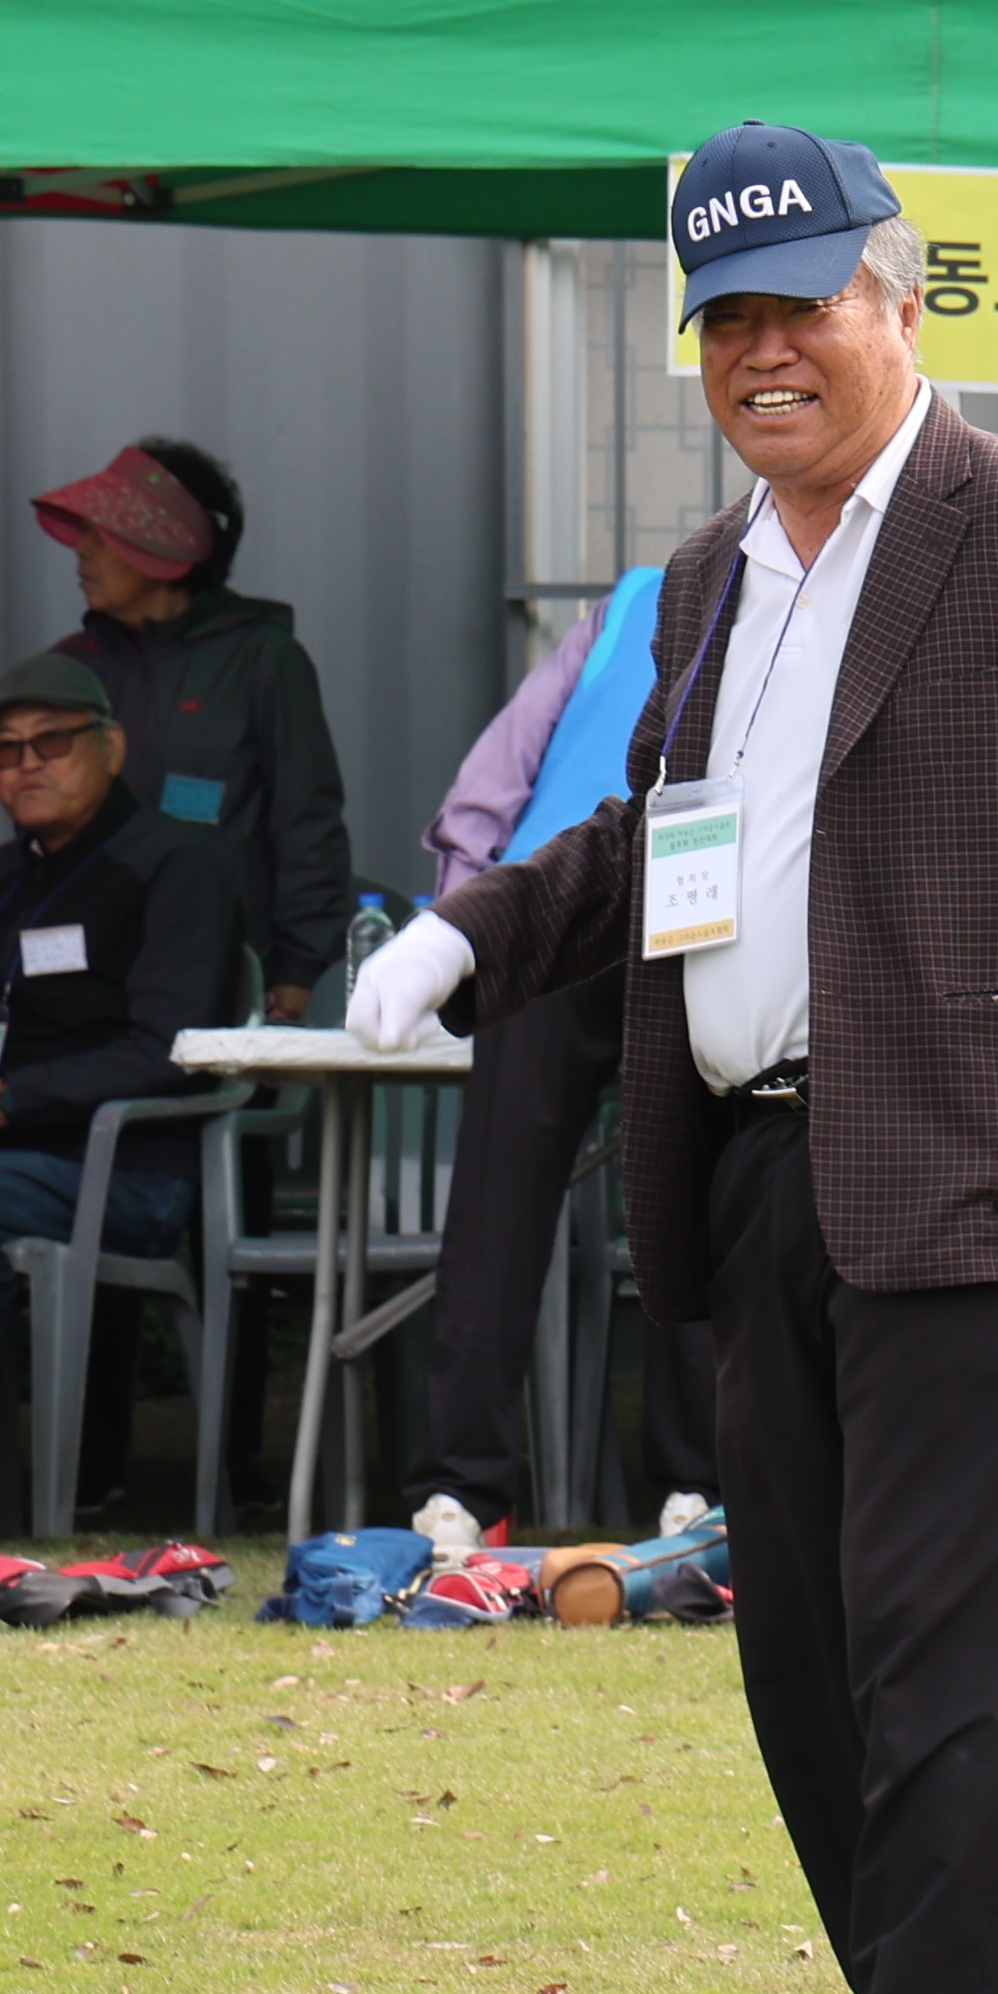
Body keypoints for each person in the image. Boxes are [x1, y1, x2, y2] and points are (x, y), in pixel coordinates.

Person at [347, 122, 998, 1994]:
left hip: (975, 1163)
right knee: (803, 1653)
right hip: (751, 1175)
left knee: (932, 1648)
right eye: (726, 320)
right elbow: (669, 842)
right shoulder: (706, 577)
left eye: (803, 306)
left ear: (900, 302)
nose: (765, 352)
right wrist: (468, 934)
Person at [0, 652, 256, 1527]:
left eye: (52, 742)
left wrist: (11, 1098)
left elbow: (172, 1047)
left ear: (111, 746)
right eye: (4, 751)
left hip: (123, 1163)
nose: (27, 764)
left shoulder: (179, 865)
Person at [394, 568, 715, 1542]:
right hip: (696, 903)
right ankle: (695, 1491)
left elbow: (493, 776)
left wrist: (464, 924)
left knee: (498, 1202)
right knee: (694, 1200)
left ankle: (461, 1495)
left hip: (552, 899)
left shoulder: (632, 598)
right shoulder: (806, 596)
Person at [38, 438, 352, 1021]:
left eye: (102, 533)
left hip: (224, 980)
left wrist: (297, 971)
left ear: (163, 546)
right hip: (88, 981)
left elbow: (308, 823)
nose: (81, 551)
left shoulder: (264, 660)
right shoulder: (71, 669)